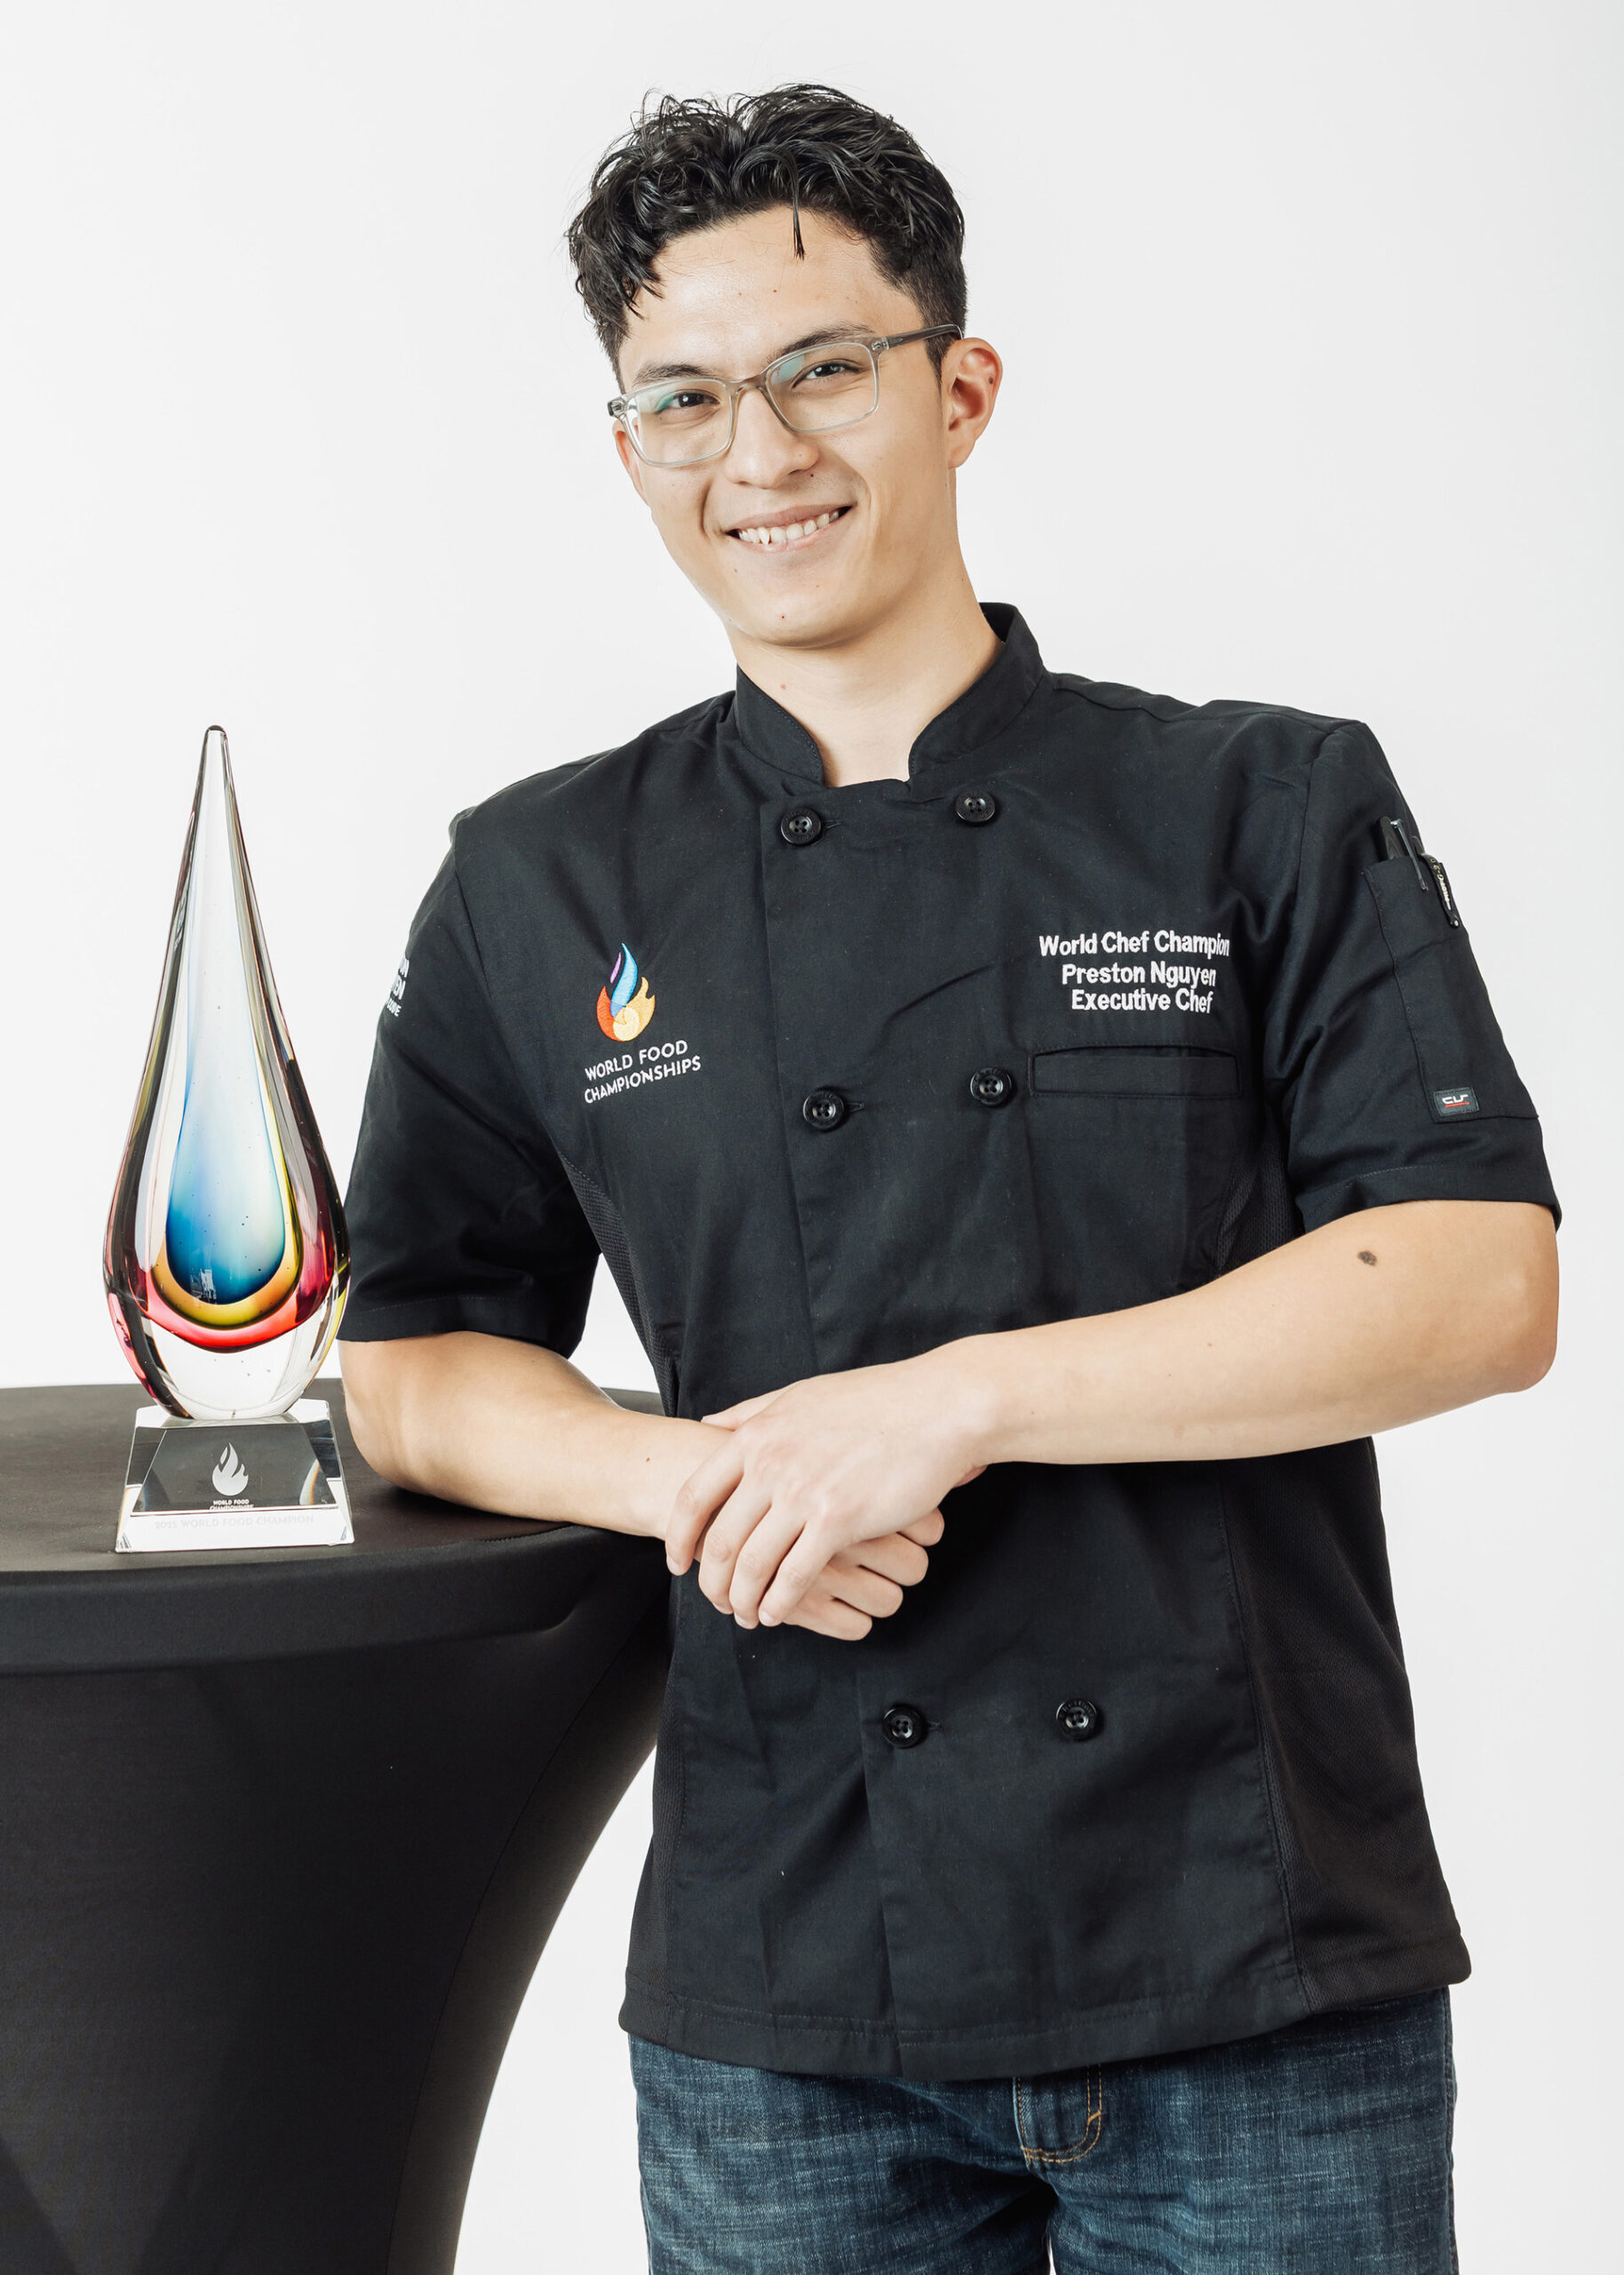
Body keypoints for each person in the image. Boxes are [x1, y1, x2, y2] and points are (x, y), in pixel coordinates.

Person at [339, 84, 1559, 2275]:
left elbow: (1474, 1279)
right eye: (684, 398)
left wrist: (949, 1401)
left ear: (959, 386)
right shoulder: (537, 879)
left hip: (1253, 1956)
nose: (758, 451)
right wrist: (698, 1480)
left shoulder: (1254, 801)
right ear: (627, 449)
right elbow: (412, 1359)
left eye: (821, 369)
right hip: (790, 1982)